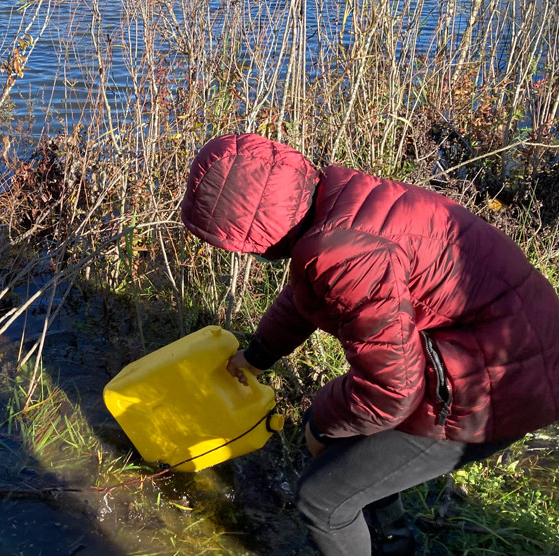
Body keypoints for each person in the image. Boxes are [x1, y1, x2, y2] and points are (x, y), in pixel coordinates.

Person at [180, 133, 559, 555]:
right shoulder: (346, 202)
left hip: (498, 387)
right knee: (350, 444)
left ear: (259, 230)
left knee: (322, 500)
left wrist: (319, 422)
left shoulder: (342, 251)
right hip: (511, 353)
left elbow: (393, 392)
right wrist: (257, 356)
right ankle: (394, 545)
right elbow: (306, 296)